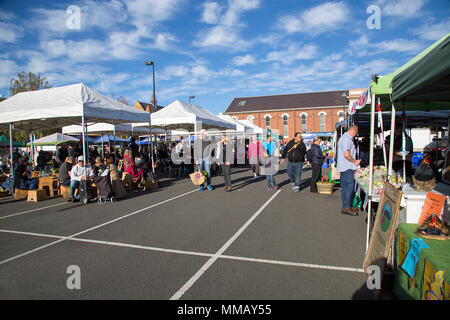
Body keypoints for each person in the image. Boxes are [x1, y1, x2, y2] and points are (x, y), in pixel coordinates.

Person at [337, 125, 360, 216]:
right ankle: (346, 207)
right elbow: (346, 154)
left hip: (345, 167)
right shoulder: (346, 139)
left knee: (346, 188)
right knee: (348, 187)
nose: (356, 134)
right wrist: (354, 161)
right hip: (347, 167)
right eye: (356, 132)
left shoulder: (345, 138)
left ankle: (347, 205)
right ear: (353, 131)